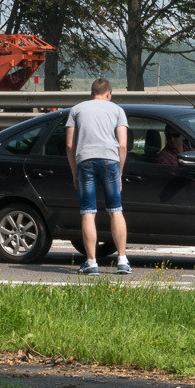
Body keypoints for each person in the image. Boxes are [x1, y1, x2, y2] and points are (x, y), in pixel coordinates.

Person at [66, 78, 130, 275]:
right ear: (108, 93)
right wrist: (119, 172)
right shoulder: (117, 110)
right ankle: (122, 260)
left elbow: (69, 145)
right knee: (115, 209)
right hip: (110, 162)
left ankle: (92, 262)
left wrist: (74, 171)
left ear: (92, 92)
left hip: (85, 162)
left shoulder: (76, 110)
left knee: (88, 211)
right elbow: (123, 145)